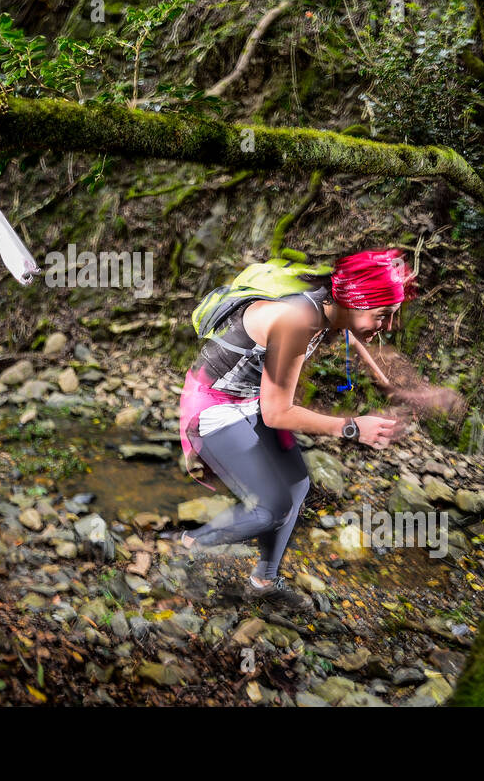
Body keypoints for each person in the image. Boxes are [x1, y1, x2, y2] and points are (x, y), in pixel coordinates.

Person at [176, 248, 458, 612]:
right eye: (382, 316)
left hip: (252, 399)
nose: (387, 327)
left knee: (297, 485)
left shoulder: (334, 305)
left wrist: (390, 385)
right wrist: (353, 427)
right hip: (213, 404)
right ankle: (190, 545)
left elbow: (354, 335)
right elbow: (277, 413)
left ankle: (264, 580)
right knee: (270, 508)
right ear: (356, 304)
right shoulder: (298, 321)